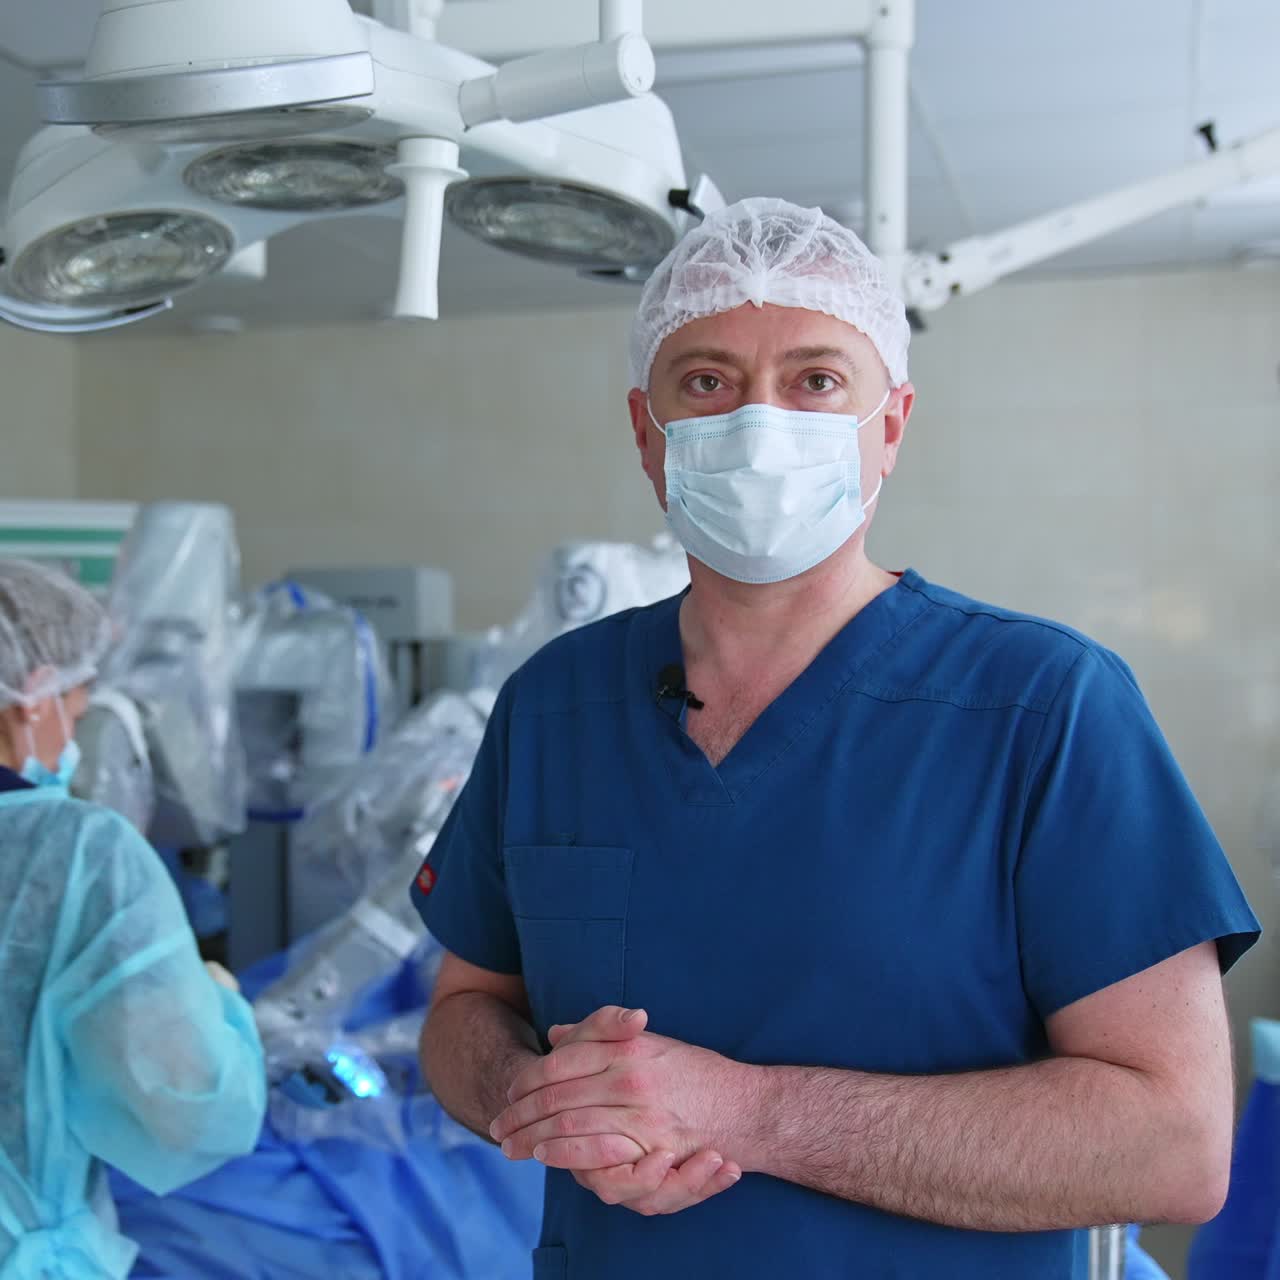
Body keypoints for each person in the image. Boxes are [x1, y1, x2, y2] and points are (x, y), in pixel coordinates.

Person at [413, 197, 1259, 1278]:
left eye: (815, 380)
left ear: (889, 426)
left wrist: (750, 1112)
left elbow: (1175, 1144)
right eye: (706, 381)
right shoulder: (553, 706)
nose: (758, 423)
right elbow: (465, 1009)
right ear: (645, 432)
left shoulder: (1044, 707)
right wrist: (535, 1095)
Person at [0, 559, 265, 1279]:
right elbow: (192, 1106)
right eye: (76, 710)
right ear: (32, 697)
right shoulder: (76, 854)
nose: (72, 740)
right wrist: (216, 1010)